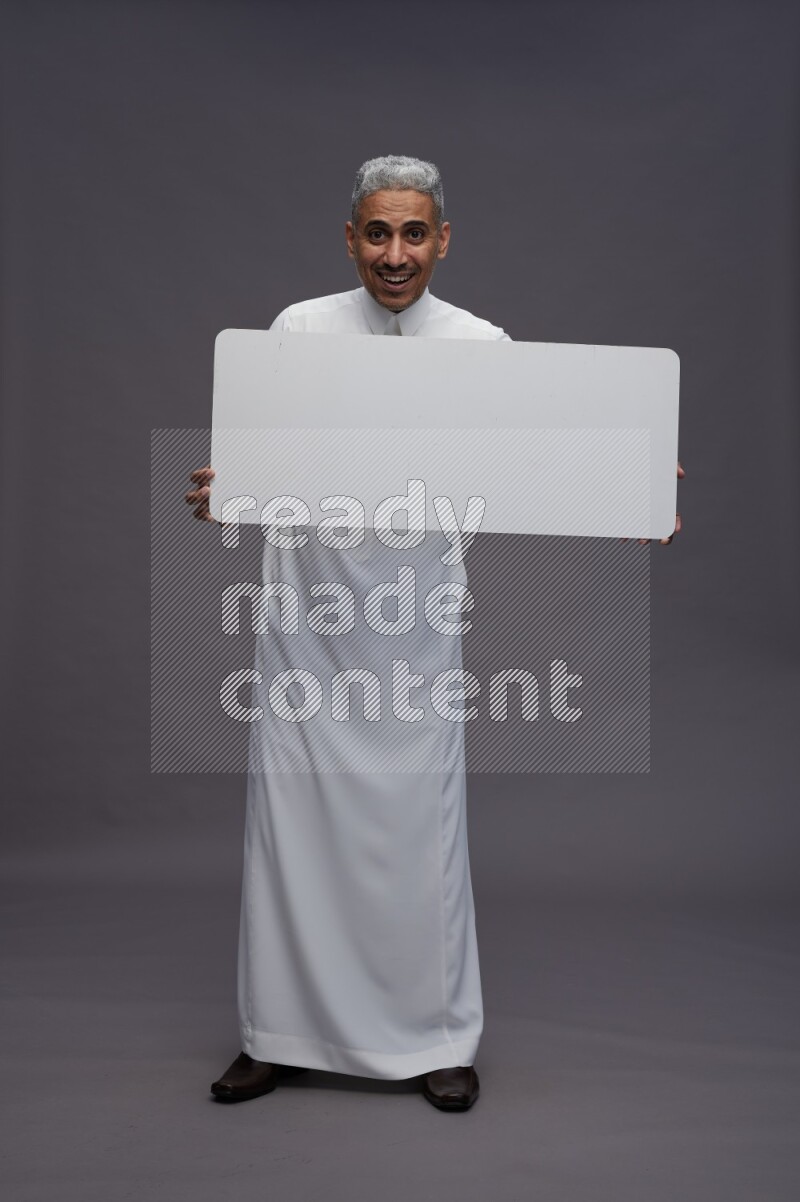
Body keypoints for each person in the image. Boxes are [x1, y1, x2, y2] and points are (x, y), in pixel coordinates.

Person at [185, 155, 683, 1113]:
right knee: (291, 835)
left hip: (413, 635)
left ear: (443, 239)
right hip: (305, 631)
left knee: (421, 839)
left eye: (415, 233)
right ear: (351, 238)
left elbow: (537, 467)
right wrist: (226, 490)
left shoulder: (480, 345)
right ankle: (275, 1034)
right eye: (378, 232)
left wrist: (629, 492)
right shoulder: (297, 331)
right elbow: (253, 468)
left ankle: (439, 1038)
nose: (396, 253)